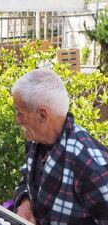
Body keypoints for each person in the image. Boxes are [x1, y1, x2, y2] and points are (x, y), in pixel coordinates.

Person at [12, 69, 108, 225]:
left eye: (20, 112)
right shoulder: (36, 141)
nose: (17, 120)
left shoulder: (91, 165)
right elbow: (26, 179)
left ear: (42, 115)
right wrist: (25, 204)